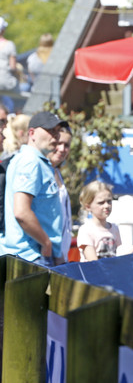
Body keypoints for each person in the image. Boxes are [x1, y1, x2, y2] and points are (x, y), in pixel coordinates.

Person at [1, 111, 68, 267]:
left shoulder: (34, 161)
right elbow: (21, 212)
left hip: (33, 256)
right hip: (32, 256)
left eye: (58, 131)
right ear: (32, 133)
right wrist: (46, 243)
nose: (56, 136)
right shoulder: (30, 162)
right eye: (51, 131)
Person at [77, 181, 133, 261]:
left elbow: (117, 257)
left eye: (109, 201)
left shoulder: (114, 228)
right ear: (88, 207)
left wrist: (131, 252)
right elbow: (93, 263)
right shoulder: (86, 230)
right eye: (101, 203)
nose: (106, 206)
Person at [48, 125, 75, 262]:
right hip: (48, 255)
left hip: (60, 255)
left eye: (66, 145)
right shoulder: (42, 171)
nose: (62, 149)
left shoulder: (57, 171)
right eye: (58, 143)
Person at [0, 17, 19, 110]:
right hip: (6, 83)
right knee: (25, 87)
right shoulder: (9, 44)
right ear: (3, 30)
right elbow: (13, 67)